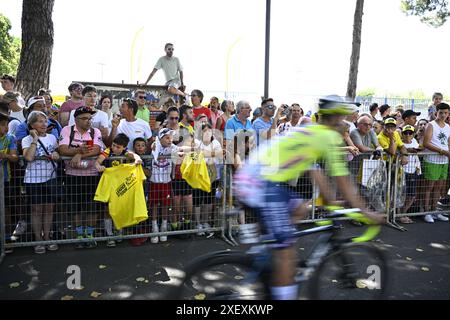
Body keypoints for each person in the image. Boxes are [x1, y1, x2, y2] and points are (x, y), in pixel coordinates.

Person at [234, 95, 384, 300]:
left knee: (300, 208)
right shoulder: (327, 137)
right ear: (337, 118)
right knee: (287, 252)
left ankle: (268, 252)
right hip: (260, 185)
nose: (345, 123)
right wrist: (366, 212)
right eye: (343, 118)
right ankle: (281, 270)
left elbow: (317, 173)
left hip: (253, 180)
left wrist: (331, 201)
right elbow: (344, 182)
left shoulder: (310, 131)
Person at [58, 106, 103, 249]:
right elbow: (62, 149)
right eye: (84, 118)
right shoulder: (67, 130)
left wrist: (78, 154)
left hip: (91, 175)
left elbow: (96, 148)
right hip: (72, 175)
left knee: (92, 207)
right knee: (75, 207)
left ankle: (89, 235)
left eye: (90, 118)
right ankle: (79, 235)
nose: (88, 121)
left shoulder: (95, 131)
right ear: (76, 119)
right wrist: (78, 150)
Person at [22, 111, 60, 254]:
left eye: (45, 121)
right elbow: (29, 157)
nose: (44, 124)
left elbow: (57, 153)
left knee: (49, 209)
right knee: (36, 210)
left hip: (50, 178)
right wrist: (34, 139)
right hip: (33, 179)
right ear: (32, 125)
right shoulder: (27, 139)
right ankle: (38, 239)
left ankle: (48, 237)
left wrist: (56, 154)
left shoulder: (52, 138)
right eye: (39, 121)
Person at [95, 133, 141, 247]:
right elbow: (98, 161)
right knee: (107, 210)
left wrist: (137, 158)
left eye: (118, 147)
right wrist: (98, 166)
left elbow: (133, 155)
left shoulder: (125, 152)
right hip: (108, 186)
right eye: (114, 145)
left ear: (124, 147)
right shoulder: (107, 151)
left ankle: (119, 230)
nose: (115, 148)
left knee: (119, 208)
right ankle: (109, 234)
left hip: (120, 187)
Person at [148, 128, 178, 243]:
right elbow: (154, 146)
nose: (170, 140)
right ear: (160, 138)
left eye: (171, 138)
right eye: (167, 138)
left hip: (166, 181)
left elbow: (180, 150)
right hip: (155, 181)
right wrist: (154, 144)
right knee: (154, 205)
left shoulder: (172, 147)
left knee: (165, 205)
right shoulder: (156, 145)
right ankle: (154, 227)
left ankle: (164, 227)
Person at [422, 102, 450, 223]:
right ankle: (426, 212)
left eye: (445, 112)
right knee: (429, 187)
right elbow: (426, 143)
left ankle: (434, 211)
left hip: (444, 161)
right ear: (436, 113)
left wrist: (446, 152)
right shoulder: (431, 125)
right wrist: (442, 151)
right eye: (441, 112)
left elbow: (448, 143)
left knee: (439, 187)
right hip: (432, 160)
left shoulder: (448, 127)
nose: (443, 115)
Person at [0, 112, 19, 250]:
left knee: (5, 209)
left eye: (6, 125)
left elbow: (15, 157)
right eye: (2, 125)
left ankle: (7, 238)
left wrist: (4, 155)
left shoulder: (10, 138)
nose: (5, 128)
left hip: (5, 179)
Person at [399, 125, 421, 224]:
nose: (408, 135)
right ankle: (398, 214)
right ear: (402, 134)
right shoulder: (400, 143)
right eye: (405, 133)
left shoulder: (415, 142)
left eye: (410, 133)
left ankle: (403, 213)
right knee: (400, 195)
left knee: (411, 195)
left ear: (413, 135)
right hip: (401, 172)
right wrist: (408, 151)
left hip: (412, 172)